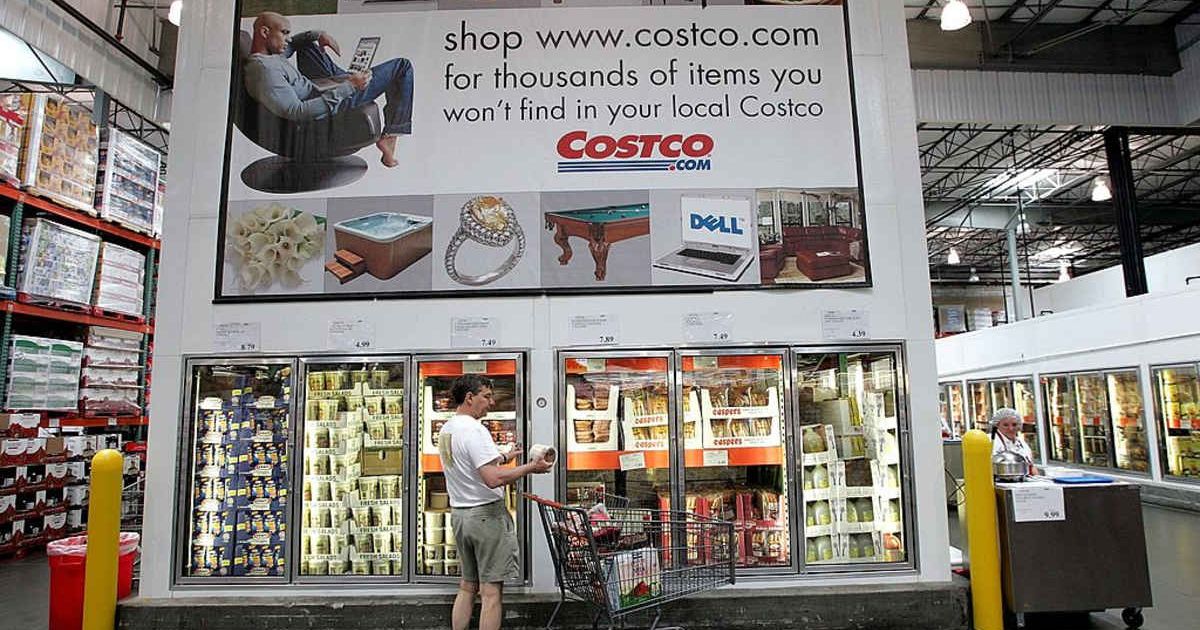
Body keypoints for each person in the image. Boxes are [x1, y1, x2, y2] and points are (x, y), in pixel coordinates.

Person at [437, 375, 551, 630]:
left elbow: (470, 465)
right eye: (486, 396)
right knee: (491, 594)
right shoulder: (475, 429)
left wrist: (501, 456)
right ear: (470, 398)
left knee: (467, 586)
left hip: (461, 516)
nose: (491, 403)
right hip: (486, 518)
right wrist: (531, 467)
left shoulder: (447, 429)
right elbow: (492, 479)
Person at [244, 11, 414, 167]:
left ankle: (345, 77)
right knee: (402, 67)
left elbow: (295, 43)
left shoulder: (270, 56)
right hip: (326, 110)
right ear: (265, 33)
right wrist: (349, 86)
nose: (288, 39)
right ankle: (391, 136)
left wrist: (319, 35)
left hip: (317, 91)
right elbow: (297, 112)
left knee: (306, 45)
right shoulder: (265, 71)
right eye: (284, 33)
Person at [991, 407, 1039, 475]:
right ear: (997, 425)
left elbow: (1031, 467)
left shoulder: (1022, 444)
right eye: (1005, 425)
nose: (1011, 428)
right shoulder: (990, 441)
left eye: (1014, 425)